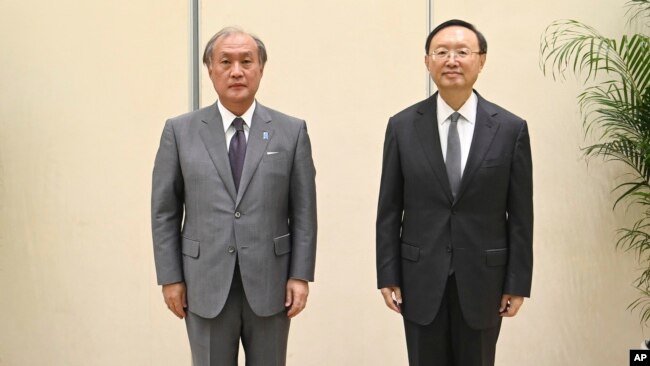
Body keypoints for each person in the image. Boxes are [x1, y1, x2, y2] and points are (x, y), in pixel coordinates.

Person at [151, 27, 317, 366]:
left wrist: (300, 275)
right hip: (203, 282)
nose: (236, 71)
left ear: (261, 68)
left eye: (246, 61)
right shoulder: (180, 131)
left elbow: (304, 212)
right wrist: (170, 278)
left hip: (272, 283)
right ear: (210, 69)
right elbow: (164, 211)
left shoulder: (291, 131)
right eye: (225, 61)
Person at [376, 19, 533, 366]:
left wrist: (517, 282)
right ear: (427, 61)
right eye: (441, 52)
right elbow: (389, 208)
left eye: (462, 52)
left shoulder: (510, 129)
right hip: (420, 277)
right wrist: (387, 274)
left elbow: (521, 216)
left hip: (485, 281)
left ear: (481, 60)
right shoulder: (402, 127)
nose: (452, 60)